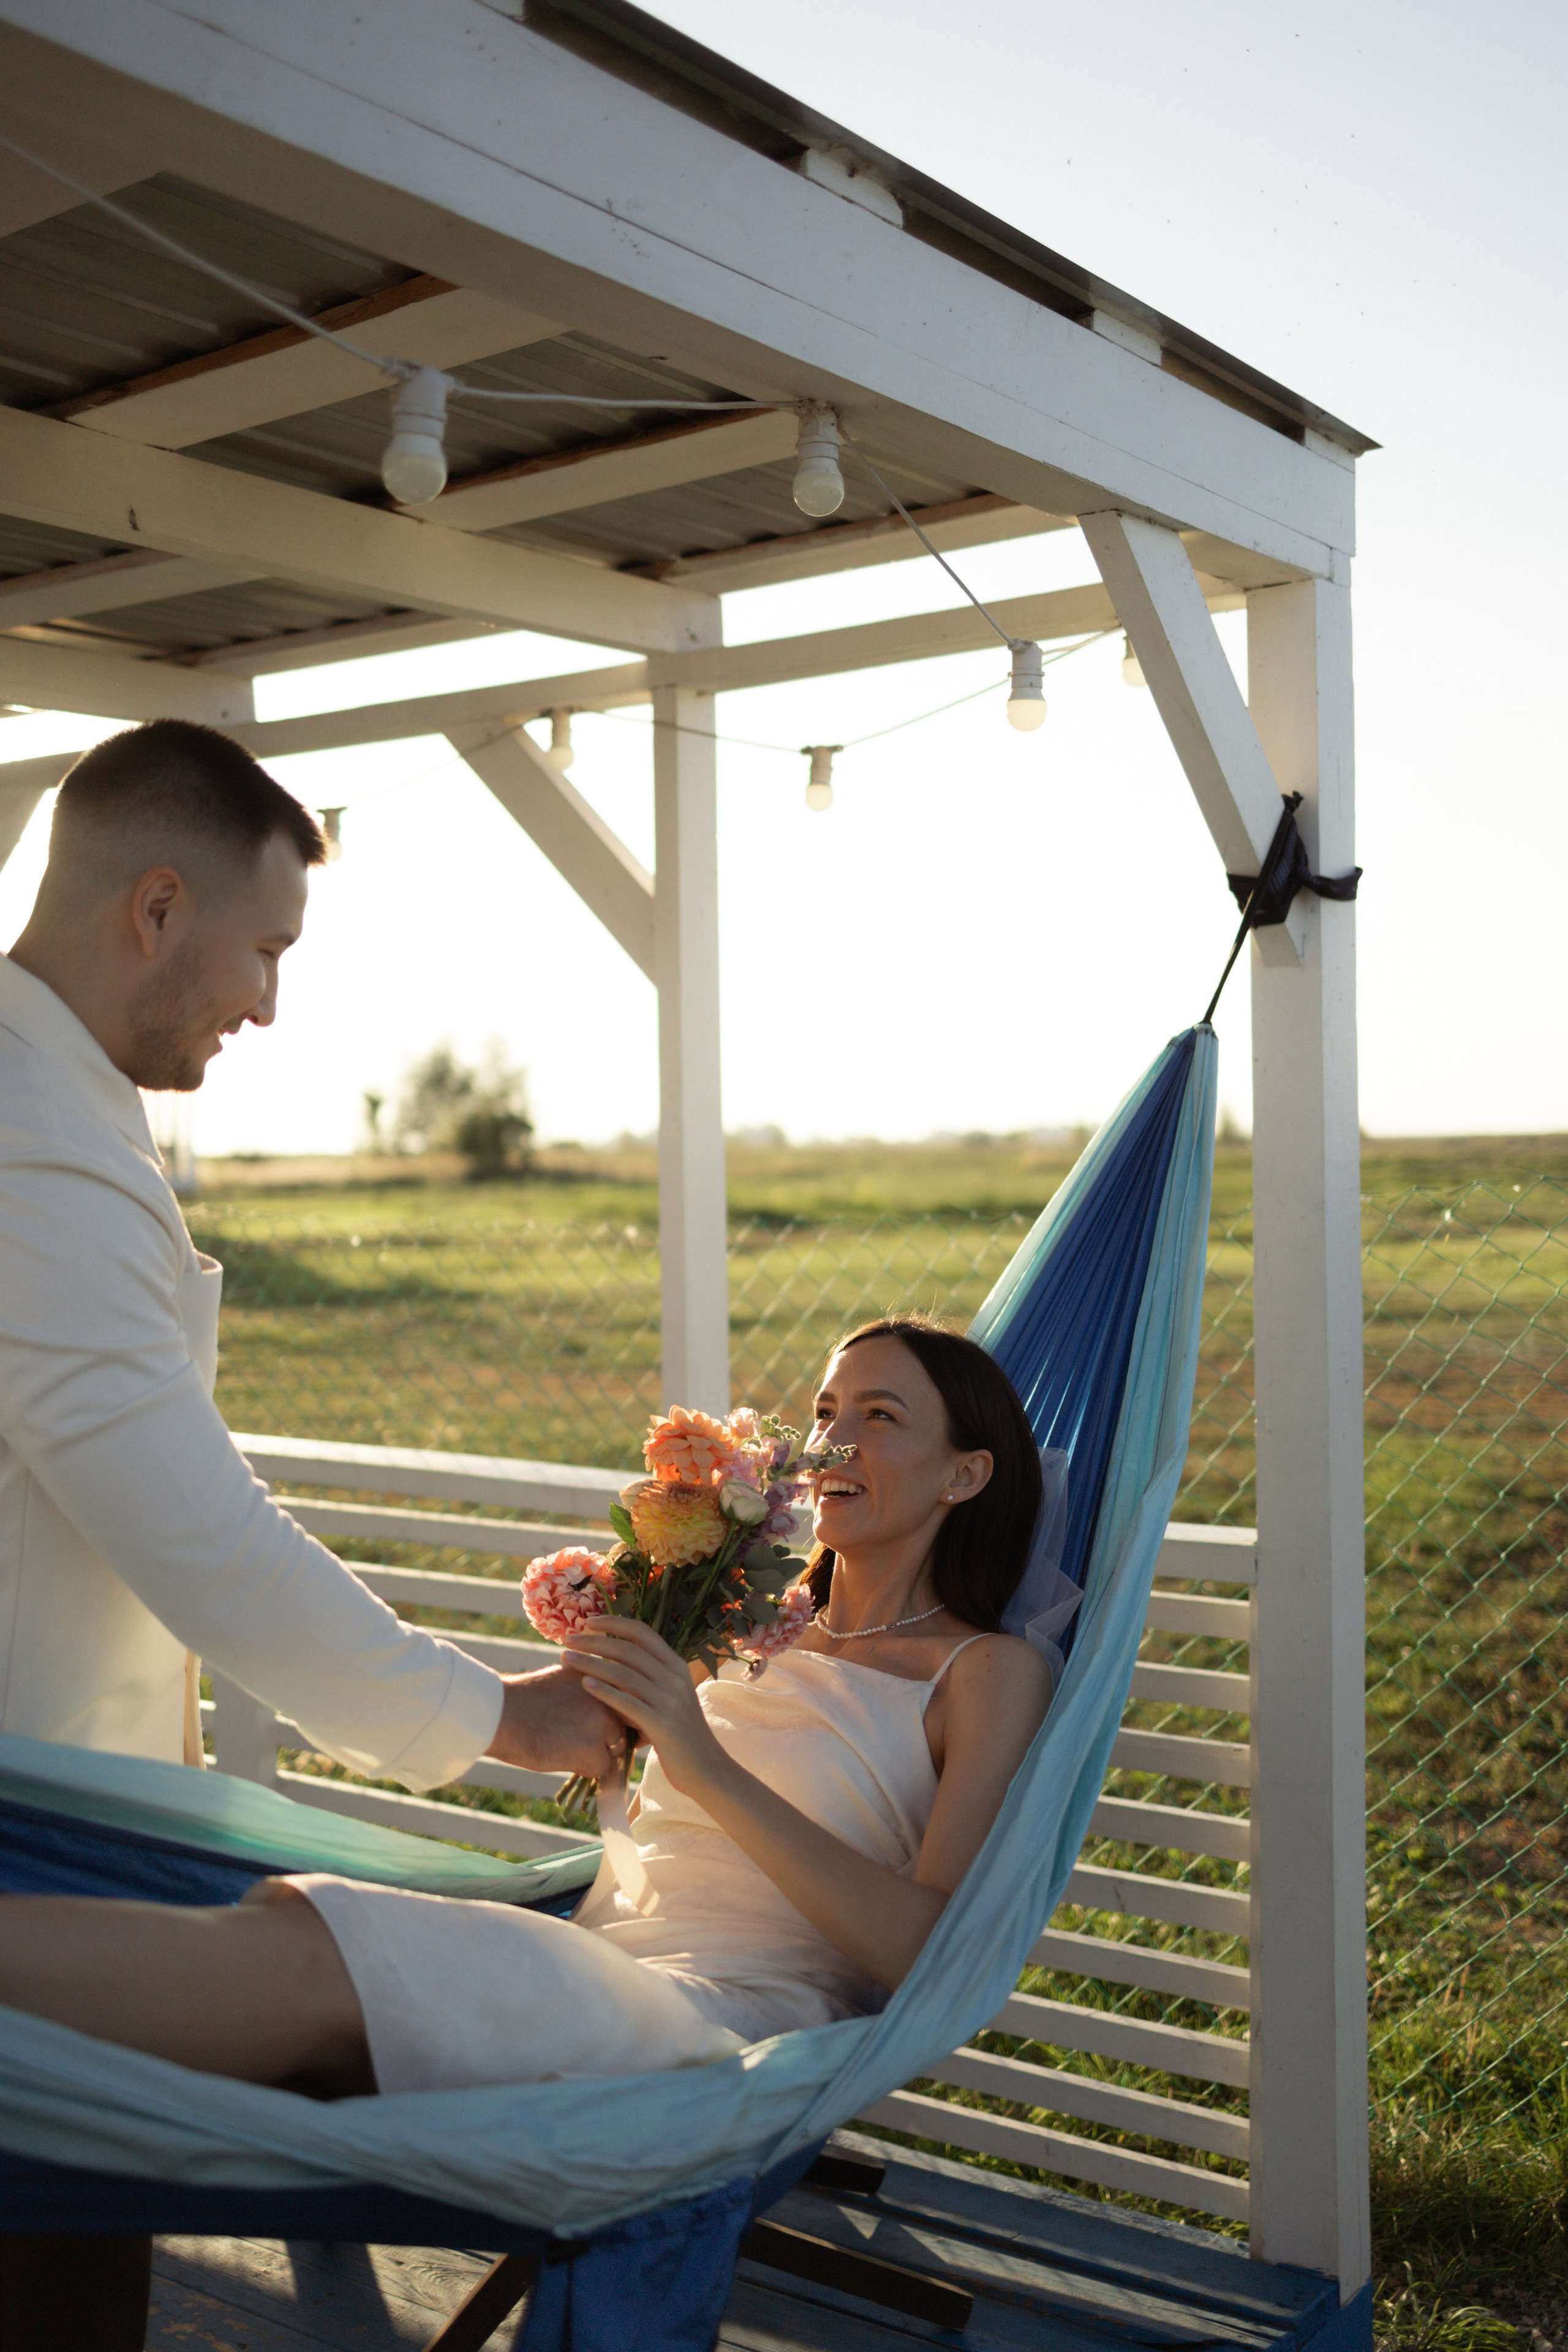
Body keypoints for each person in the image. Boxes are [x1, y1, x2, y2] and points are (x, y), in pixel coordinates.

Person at [0, 719, 620, 2350]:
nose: (267, 1001)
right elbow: (196, 1531)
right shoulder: (32, 1137)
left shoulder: (54, 1099)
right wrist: (496, 1715)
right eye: (262, 948)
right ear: (154, 908)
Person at [0, 1319, 1053, 2104]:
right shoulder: (745, 1616)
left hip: (725, 2024)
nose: (830, 1443)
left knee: (319, 1956)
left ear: (967, 1473)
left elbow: (927, 1956)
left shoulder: (983, 1670)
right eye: (826, 1411)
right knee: (292, 1914)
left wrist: (704, 1759)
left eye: (881, 1417)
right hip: (599, 1954)